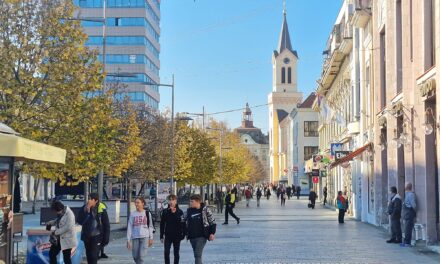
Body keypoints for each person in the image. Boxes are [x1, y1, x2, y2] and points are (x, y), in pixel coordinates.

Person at [77, 193, 110, 264]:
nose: (89, 200)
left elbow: (106, 225)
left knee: (94, 256)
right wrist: (87, 212)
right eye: (88, 198)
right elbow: (79, 221)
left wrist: (106, 238)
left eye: (91, 199)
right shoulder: (84, 208)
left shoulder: (101, 209)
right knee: (89, 256)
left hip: (97, 235)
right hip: (87, 236)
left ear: (96, 201)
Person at [186, 195, 216, 264]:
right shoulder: (189, 211)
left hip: (202, 237)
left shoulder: (205, 210)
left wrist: (212, 233)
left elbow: (212, 222)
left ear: (198, 202)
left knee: (197, 254)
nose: (190, 203)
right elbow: (181, 219)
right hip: (192, 237)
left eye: (192, 201)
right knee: (196, 255)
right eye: (190, 201)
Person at [127, 197, 154, 264]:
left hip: (145, 237)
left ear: (142, 203)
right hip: (135, 237)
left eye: (138, 202)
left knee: (141, 256)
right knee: (135, 256)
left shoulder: (147, 213)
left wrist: (151, 238)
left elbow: (150, 226)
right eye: (135, 203)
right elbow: (130, 227)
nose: (136, 204)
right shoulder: (133, 214)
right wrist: (128, 240)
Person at [160, 195, 185, 264]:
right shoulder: (165, 212)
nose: (171, 202)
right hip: (168, 235)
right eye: (170, 200)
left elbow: (183, 223)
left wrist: (184, 234)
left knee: (176, 253)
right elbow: (162, 224)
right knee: (166, 252)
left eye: (173, 200)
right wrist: (161, 236)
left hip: (177, 235)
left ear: (176, 201)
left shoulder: (180, 212)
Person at [401, 182, 417, 247]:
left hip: (409, 213)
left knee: (408, 228)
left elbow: (414, 205)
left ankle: (407, 242)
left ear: (407, 187)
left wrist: (414, 212)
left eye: (405, 185)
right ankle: (406, 242)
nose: (404, 187)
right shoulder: (407, 194)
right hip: (407, 213)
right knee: (406, 228)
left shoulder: (410, 195)